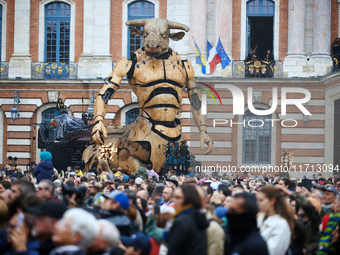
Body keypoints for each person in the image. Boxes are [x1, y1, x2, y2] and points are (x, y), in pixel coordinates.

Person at [166, 185, 209, 255]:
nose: (173, 200)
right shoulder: (196, 216)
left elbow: (174, 250)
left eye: (178, 197)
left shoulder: (182, 221)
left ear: (188, 200)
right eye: (173, 197)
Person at [256, 186, 293, 255]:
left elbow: (272, 251)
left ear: (272, 201)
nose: (258, 203)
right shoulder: (261, 218)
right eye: (257, 200)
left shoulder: (281, 224)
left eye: (261, 200)